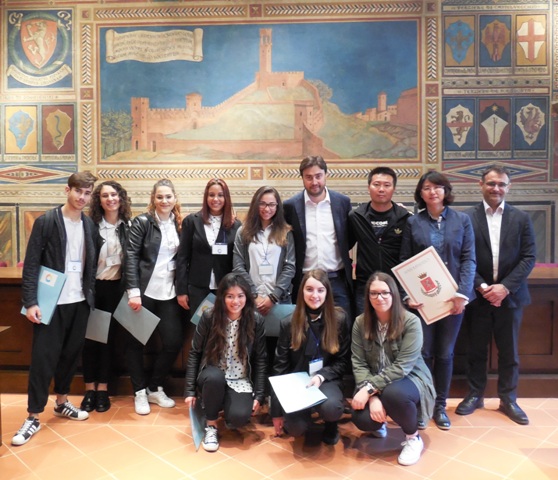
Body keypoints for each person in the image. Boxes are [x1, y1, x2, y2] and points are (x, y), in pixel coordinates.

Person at [13, 172, 99, 446]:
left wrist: (89, 296)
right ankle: (33, 416)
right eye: (78, 191)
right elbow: (31, 263)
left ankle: (62, 402)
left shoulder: (88, 225)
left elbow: (90, 264)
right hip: (51, 304)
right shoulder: (47, 221)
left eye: (87, 193)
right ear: (67, 190)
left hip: (79, 302)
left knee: (70, 357)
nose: (82, 197)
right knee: (43, 359)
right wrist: (30, 302)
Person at [456, 165, 536, 425]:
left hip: (510, 297)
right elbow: (462, 257)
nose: (496, 188)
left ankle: (508, 399)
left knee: (509, 352)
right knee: (475, 350)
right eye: (491, 183)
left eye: (501, 184)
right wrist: (482, 286)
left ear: (508, 187)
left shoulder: (521, 218)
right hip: (478, 297)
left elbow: (528, 257)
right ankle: (475, 395)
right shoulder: (466, 218)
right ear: (481, 185)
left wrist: (505, 287)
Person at [400, 170, 475, 430]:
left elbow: (468, 259)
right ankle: (424, 404)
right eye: (427, 188)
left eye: (437, 187)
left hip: (453, 301)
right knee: (423, 353)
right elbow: (405, 261)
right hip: (423, 303)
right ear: (420, 193)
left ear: (445, 191)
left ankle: (440, 406)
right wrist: (407, 296)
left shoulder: (462, 220)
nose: (433, 192)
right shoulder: (413, 222)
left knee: (445, 353)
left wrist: (462, 294)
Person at [351, 272, 435, 466]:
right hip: (374, 379)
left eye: (384, 293)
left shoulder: (411, 321)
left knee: (393, 394)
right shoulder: (360, 323)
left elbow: (402, 366)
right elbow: (358, 363)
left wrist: (369, 389)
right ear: (368, 296)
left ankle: (413, 438)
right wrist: (372, 398)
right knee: (361, 417)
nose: (379, 298)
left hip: (410, 378)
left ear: (394, 294)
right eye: (374, 293)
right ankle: (379, 422)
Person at [184, 273, 267, 452]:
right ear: (222, 297)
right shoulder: (209, 316)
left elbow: (261, 359)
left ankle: (223, 405)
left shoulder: (256, 320)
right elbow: (194, 352)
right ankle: (211, 425)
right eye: (230, 296)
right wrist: (190, 390)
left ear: (247, 297)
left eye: (240, 296)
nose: (235, 301)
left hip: (240, 379)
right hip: (213, 374)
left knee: (238, 418)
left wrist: (259, 395)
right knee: (215, 378)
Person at [124, 178, 184, 415]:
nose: (164, 201)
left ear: (175, 199)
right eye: (160, 197)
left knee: (173, 342)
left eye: (168, 196)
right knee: (135, 343)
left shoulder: (180, 224)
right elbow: (131, 256)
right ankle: (139, 391)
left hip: (169, 293)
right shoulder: (142, 222)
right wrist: (133, 291)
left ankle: (154, 387)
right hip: (143, 292)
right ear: (153, 199)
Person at [271, 269, 350, 445]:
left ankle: (331, 424)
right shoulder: (288, 323)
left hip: (325, 378)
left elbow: (343, 361)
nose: (315, 295)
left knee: (331, 408)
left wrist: (322, 376)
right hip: (298, 382)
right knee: (295, 429)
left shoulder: (339, 319)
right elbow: (279, 368)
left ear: (327, 293)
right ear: (302, 292)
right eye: (309, 289)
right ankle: (303, 415)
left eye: (320, 290)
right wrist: (276, 413)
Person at [80, 181, 132, 414]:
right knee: (91, 341)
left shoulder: (129, 226)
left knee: (109, 341)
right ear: (98, 201)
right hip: (94, 290)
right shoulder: (90, 226)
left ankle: (103, 389)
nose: (110, 199)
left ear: (121, 198)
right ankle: (89, 389)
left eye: (114, 194)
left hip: (116, 291)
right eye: (105, 196)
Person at [284, 155, 353, 321]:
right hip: (304, 280)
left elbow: (349, 237)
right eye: (308, 177)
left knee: (342, 326)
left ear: (325, 175)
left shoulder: (342, 202)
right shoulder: (290, 206)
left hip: (336, 280)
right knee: (304, 328)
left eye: (318, 176)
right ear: (302, 178)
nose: (314, 182)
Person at [348, 166, 411, 315]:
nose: (381, 189)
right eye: (376, 184)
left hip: (395, 287)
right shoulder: (356, 217)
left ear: (394, 189)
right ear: (368, 187)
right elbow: (345, 246)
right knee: (364, 327)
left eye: (387, 185)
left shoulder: (405, 218)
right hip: (365, 286)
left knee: (396, 328)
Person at [177, 178, 241, 317]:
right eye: (211, 195)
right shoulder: (192, 221)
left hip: (226, 289)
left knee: (224, 326)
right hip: (198, 289)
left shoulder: (236, 226)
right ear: (206, 197)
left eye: (220, 195)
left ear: (226, 198)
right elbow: (182, 258)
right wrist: (181, 290)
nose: (215, 199)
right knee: (200, 326)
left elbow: (238, 261)